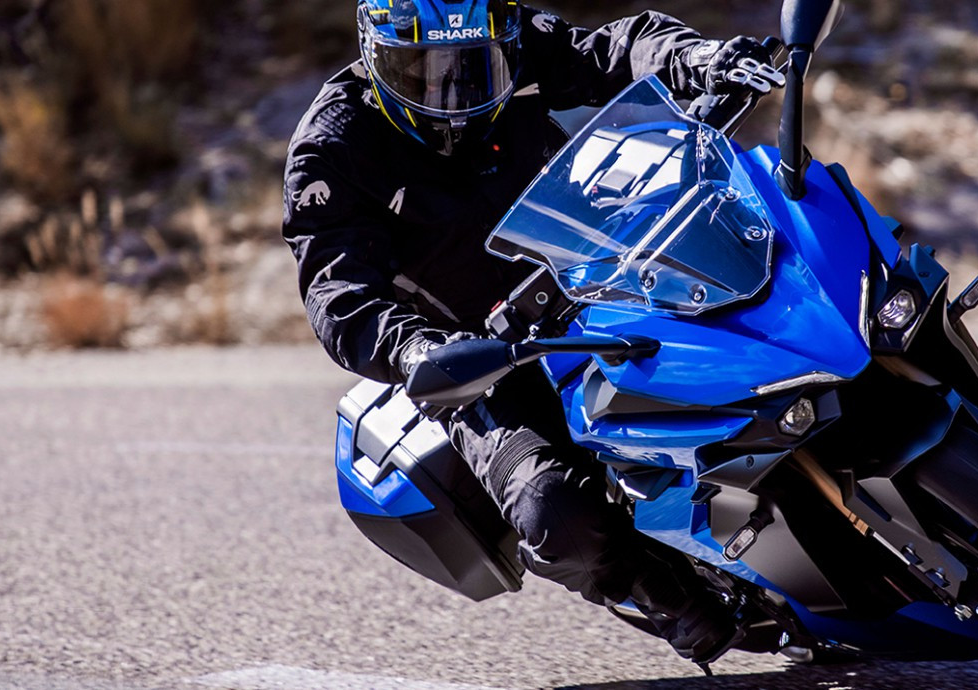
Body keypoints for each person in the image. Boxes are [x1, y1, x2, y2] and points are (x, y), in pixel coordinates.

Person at [281, 0, 777, 664]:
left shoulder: (522, 42)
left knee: (765, 334)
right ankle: (662, 591)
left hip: (601, 281)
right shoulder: (334, 145)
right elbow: (337, 293)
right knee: (555, 512)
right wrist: (416, 348)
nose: (455, 94)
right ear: (378, 57)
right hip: (480, 358)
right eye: (427, 72)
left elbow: (613, 48)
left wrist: (694, 57)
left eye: (475, 67)